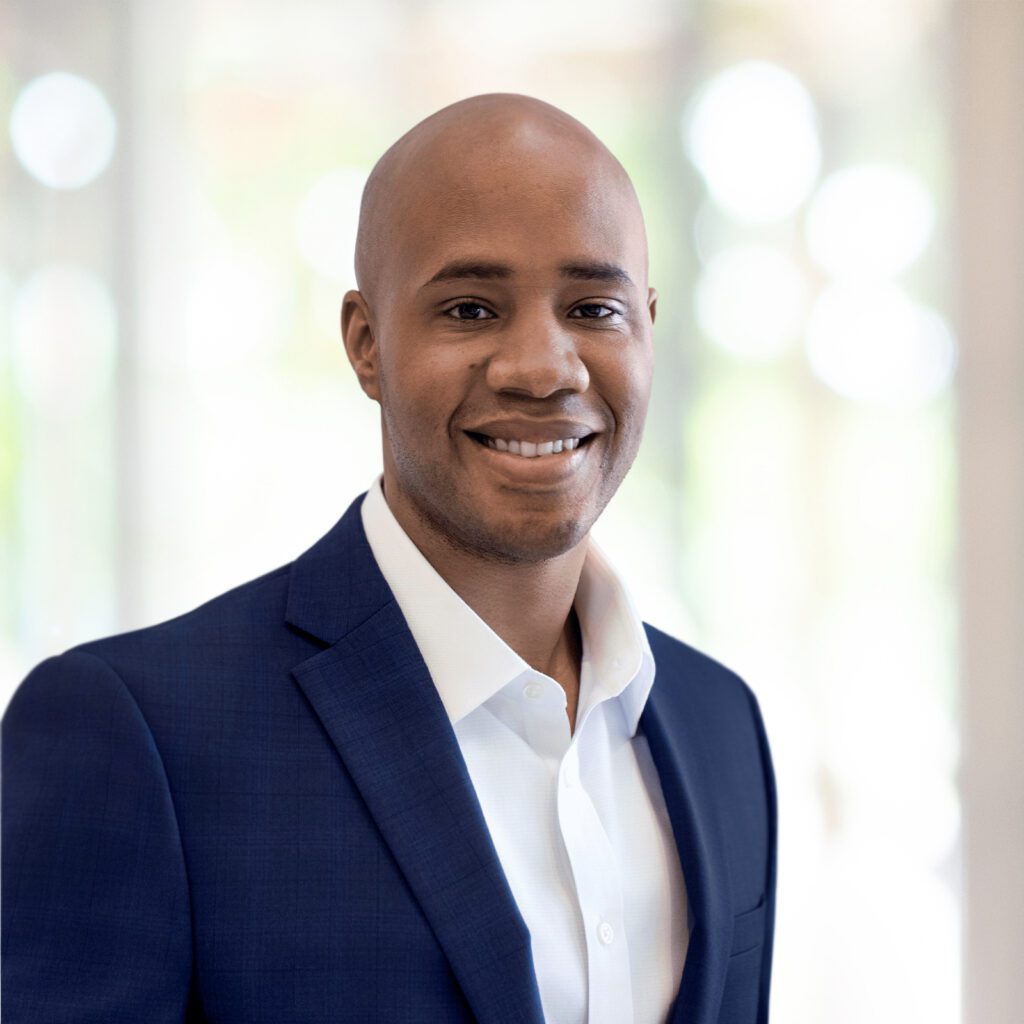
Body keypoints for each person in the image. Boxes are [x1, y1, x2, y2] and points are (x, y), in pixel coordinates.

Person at [2, 93, 777, 1024]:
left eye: (594, 307)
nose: (542, 366)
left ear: (648, 326)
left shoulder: (722, 726)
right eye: (470, 308)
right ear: (367, 345)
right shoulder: (139, 735)